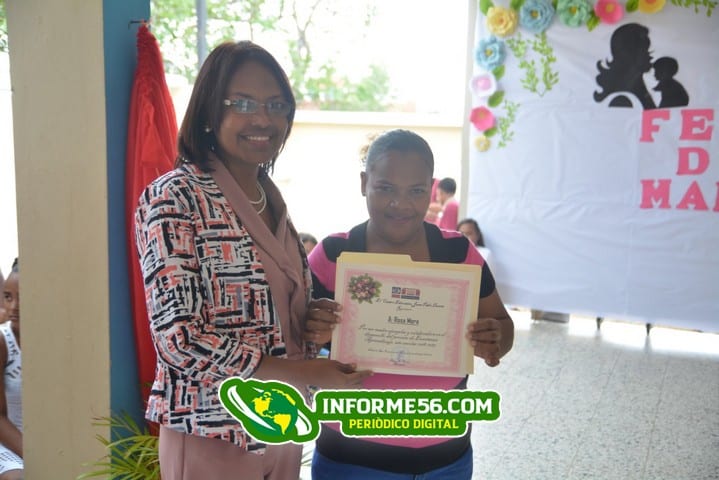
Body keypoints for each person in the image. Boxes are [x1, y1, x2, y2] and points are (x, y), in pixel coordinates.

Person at [134, 41, 370, 480]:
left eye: (276, 105)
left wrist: (312, 319)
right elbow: (179, 339)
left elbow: (268, 309)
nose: (263, 118)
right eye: (242, 103)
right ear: (209, 112)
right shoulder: (175, 197)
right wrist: (299, 372)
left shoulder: (269, 197)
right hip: (213, 430)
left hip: (280, 424)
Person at [305, 129, 514, 479]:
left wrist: (495, 340)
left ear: (430, 189)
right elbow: (290, 341)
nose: (400, 204)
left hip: (446, 459)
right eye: (386, 188)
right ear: (364, 183)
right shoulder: (333, 253)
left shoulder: (457, 252)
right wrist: (314, 331)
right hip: (350, 458)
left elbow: (504, 328)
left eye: (415, 191)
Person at [0, 259, 22, 480]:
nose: (14, 307)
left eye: (22, 298)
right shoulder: (3, 341)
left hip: (49, 441)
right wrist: (36, 455)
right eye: (8, 297)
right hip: (7, 443)